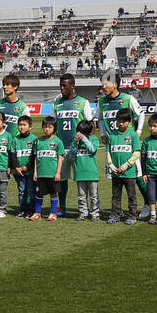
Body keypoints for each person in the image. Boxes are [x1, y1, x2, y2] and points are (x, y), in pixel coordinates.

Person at [98, 70, 148, 215]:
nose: (103, 87)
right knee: (117, 179)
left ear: (114, 85)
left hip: (129, 146)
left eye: (105, 84)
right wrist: (102, 133)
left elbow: (141, 113)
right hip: (113, 146)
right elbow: (100, 118)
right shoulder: (102, 101)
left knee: (137, 177)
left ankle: (147, 204)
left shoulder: (127, 98)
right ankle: (117, 211)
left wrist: (138, 131)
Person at [52, 73, 94, 216]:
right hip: (62, 148)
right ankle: (62, 207)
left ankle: (86, 209)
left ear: (72, 85)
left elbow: (90, 124)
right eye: (61, 85)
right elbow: (53, 124)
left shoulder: (83, 102)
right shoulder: (57, 103)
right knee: (61, 179)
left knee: (82, 179)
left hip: (79, 149)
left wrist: (87, 141)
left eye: (65, 85)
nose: (62, 88)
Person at [105, 108, 142, 225]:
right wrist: (111, 166)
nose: (121, 123)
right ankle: (115, 215)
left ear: (129, 122)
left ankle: (132, 216)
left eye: (124, 121)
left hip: (129, 172)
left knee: (131, 195)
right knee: (115, 196)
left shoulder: (133, 135)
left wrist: (125, 166)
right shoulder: (112, 135)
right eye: (119, 121)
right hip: (115, 172)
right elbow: (108, 152)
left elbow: (136, 152)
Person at [63, 119, 101, 222]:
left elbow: (92, 149)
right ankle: (83, 213)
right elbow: (71, 155)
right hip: (79, 173)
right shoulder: (75, 142)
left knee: (94, 196)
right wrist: (75, 143)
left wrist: (84, 139)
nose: (79, 134)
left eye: (81, 132)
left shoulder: (93, 139)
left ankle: (95, 213)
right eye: (78, 132)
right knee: (81, 196)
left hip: (92, 173)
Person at [32, 115, 66, 221]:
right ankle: (37, 213)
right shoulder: (38, 141)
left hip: (52, 174)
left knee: (53, 193)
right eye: (45, 127)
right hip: (41, 173)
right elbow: (36, 157)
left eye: (50, 127)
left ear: (54, 128)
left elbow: (60, 158)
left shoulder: (58, 141)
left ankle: (52, 213)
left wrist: (58, 173)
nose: (47, 129)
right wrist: (35, 172)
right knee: (38, 194)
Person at [10, 114, 36, 218]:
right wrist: (16, 167)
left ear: (30, 127)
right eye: (20, 125)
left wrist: (27, 167)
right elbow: (12, 155)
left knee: (30, 190)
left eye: (24, 125)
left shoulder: (34, 139)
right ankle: (22, 209)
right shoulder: (15, 140)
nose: (21, 127)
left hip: (29, 171)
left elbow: (34, 156)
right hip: (18, 171)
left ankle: (31, 210)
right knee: (21, 190)